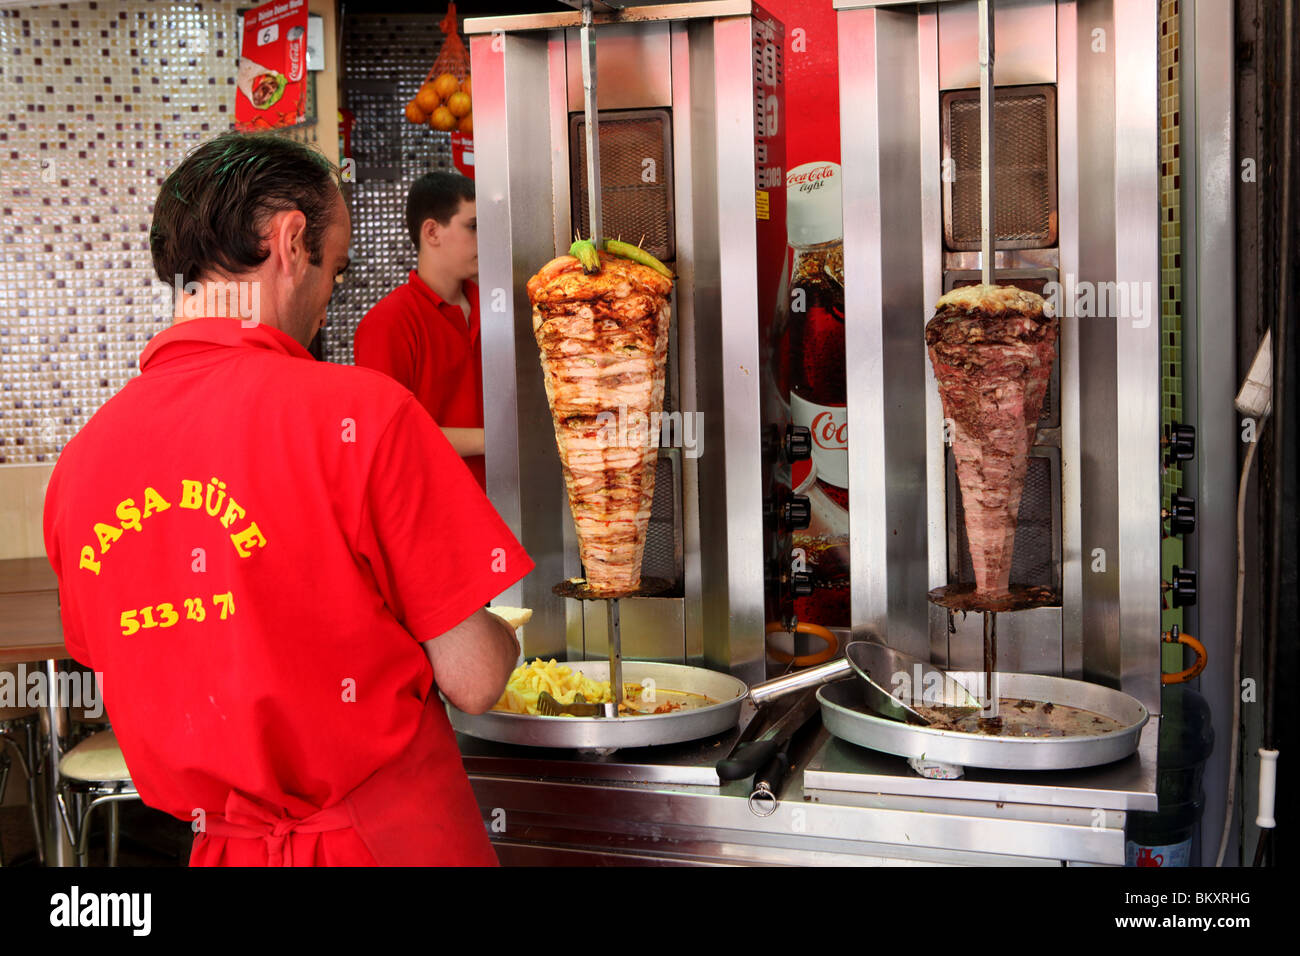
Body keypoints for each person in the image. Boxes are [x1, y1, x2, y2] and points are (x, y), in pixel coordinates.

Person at [42, 132, 532, 866]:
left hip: (221, 850)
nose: (326, 301)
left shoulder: (80, 466)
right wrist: (502, 635)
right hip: (389, 840)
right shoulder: (366, 413)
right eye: (333, 270)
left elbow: (138, 654)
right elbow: (476, 678)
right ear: (290, 241)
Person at [354, 172, 487, 487]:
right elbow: (386, 434)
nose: (485, 237)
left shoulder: (501, 308)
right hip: (433, 512)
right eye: (473, 226)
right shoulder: (387, 323)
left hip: (513, 506)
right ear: (432, 232)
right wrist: (496, 440)